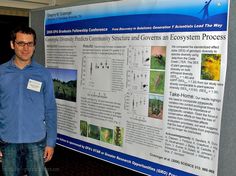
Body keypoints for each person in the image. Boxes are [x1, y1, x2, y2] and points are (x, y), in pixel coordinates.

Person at [0, 26, 57, 176]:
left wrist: (50, 142)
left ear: (34, 46)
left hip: (36, 142)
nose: (25, 48)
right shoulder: (1, 73)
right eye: (21, 43)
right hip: (8, 141)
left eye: (29, 43)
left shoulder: (43, 74)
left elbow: (50, 109)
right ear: (12, 44)